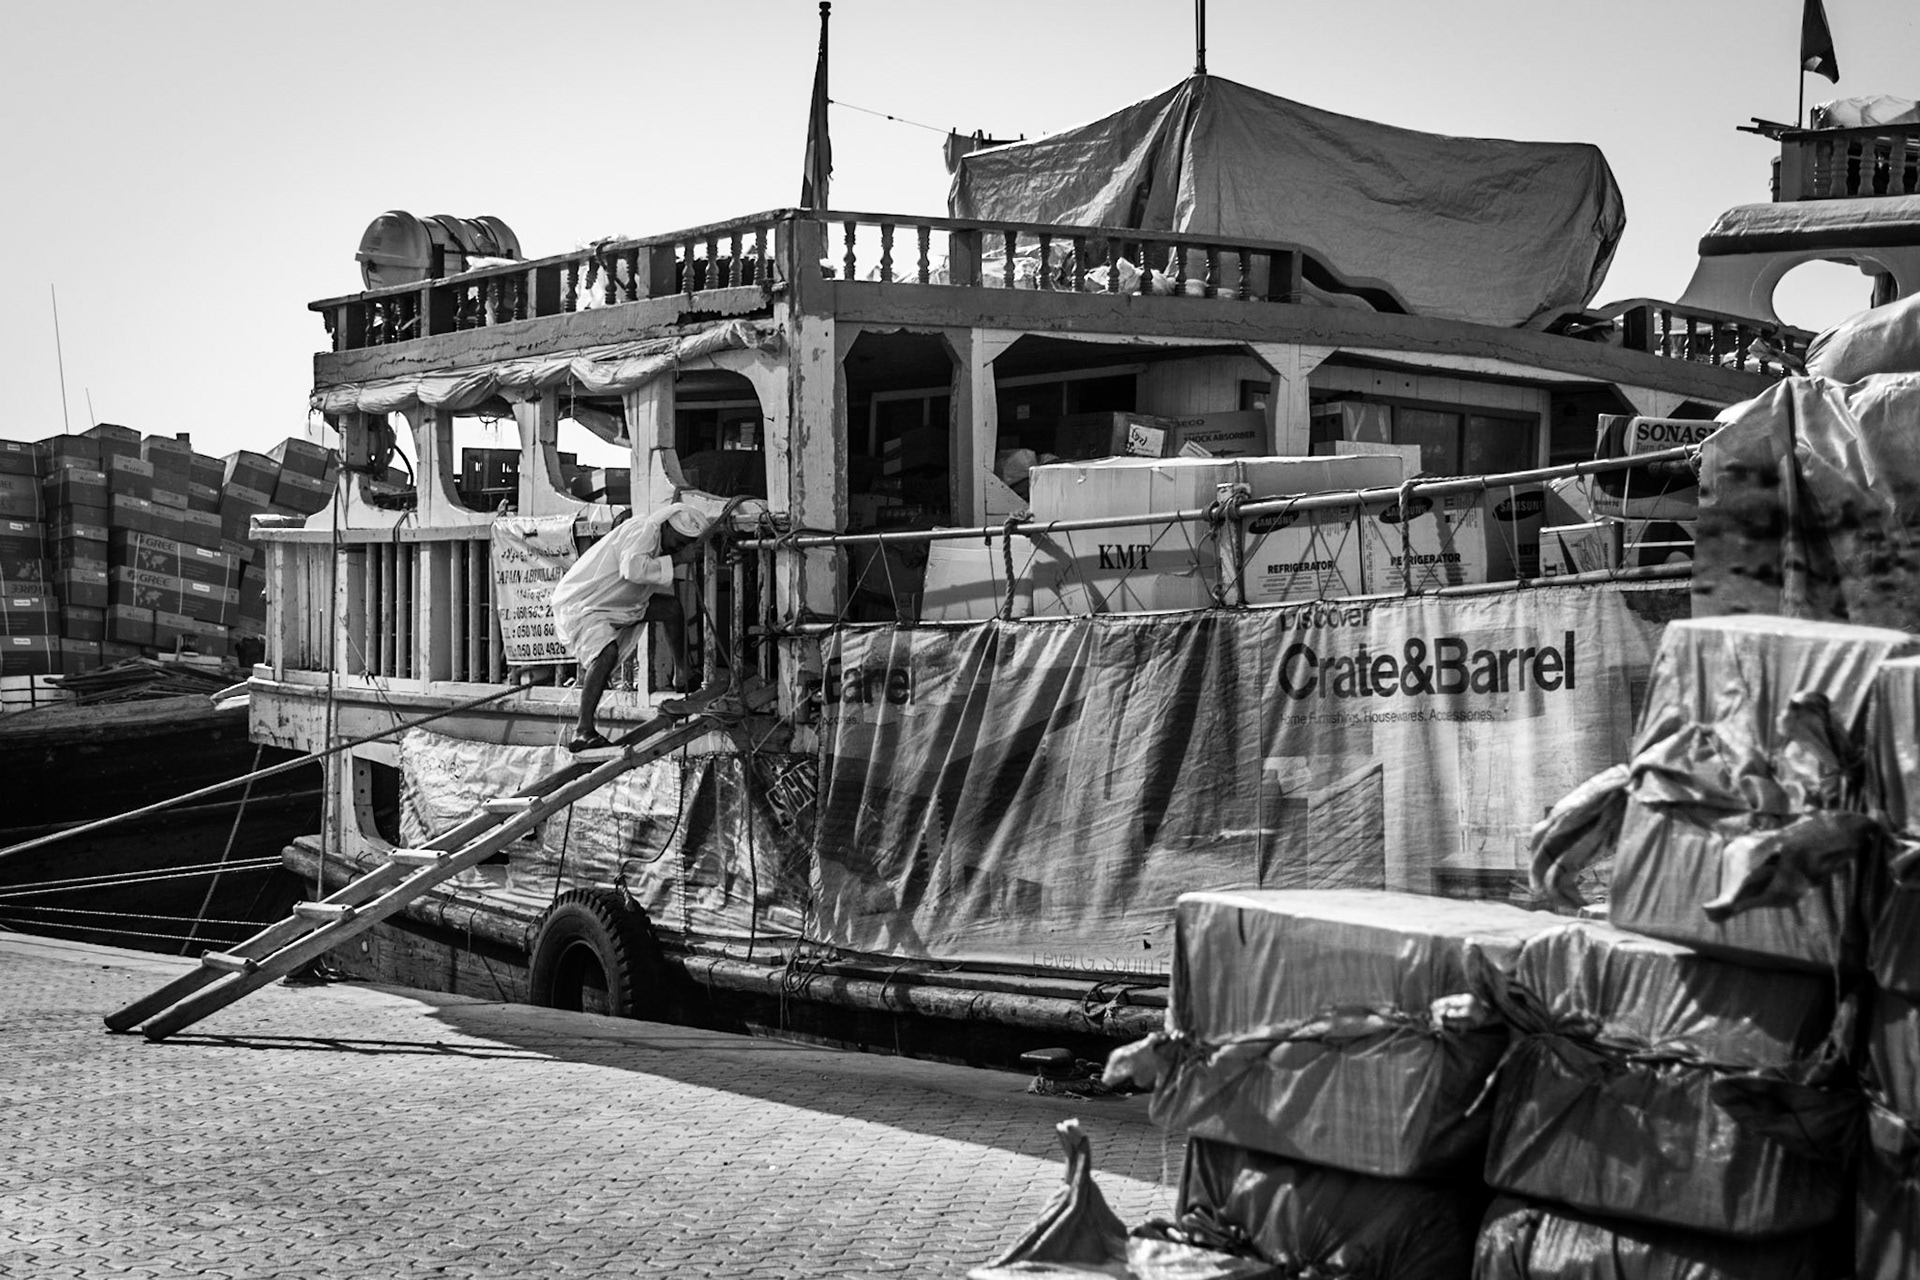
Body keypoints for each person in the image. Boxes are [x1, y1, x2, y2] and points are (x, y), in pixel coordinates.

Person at [550, 502, 721, 751]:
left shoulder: (656, 536)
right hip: (585, 605)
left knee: (671, 609)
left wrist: (676, 556)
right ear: (666, 526)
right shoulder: (645, 529)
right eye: (679, 540)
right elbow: (633, 570)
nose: (680, 547)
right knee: (605, 654)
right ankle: (583, 730)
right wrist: (678, 558)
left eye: (686, 544)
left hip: (618, 604)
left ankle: (682, 674)